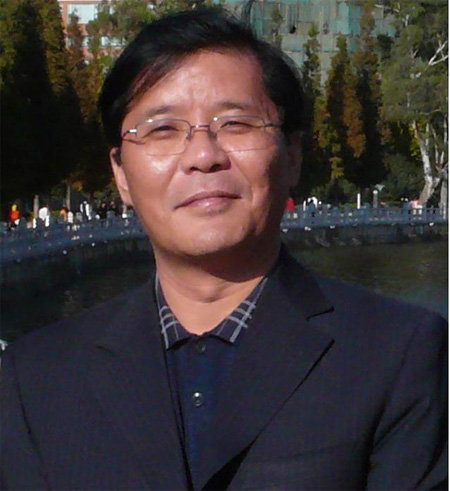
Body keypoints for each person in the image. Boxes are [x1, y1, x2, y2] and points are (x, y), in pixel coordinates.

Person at [1, 8, 447, 491]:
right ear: (121, 174)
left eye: (236, 124)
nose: (203, 156)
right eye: (162, 130)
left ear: (292, 155)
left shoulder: (398, 355)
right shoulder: (37, 376)